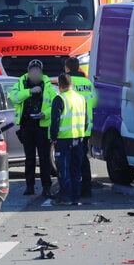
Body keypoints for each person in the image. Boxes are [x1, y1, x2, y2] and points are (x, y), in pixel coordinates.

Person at [9, 60, 56, 197]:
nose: (35, 74)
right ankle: (29, 187)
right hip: (27, 126)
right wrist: (29, 92)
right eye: (32, 72)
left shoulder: (48, 86)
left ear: (41, 73)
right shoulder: (20, 83)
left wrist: (45, 114)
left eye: (37, 72)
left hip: (42, 126)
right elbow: (14, 98)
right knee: (29, 158)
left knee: (44, 158)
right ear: (28, 72)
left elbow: (55, 106)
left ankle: (46, 187)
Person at [50, 73, 88, 206]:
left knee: (63, 169)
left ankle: (66, 197)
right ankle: (76, 196)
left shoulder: (59, 99)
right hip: (79, 138)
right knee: (76, 169)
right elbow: (86, 120)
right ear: (71, 84)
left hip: (63, 139)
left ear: (60, 86)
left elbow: (55, 121)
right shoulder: (81, 98)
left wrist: (53, 138)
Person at [65, 56, 97, 197]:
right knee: (83, 156)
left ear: (67, 68)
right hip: (86, 126)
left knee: (72, 158)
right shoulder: (87, 82)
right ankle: (86, 187)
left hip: (71, 127)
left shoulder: (67, 82)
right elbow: (94, 102)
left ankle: (74, 187)